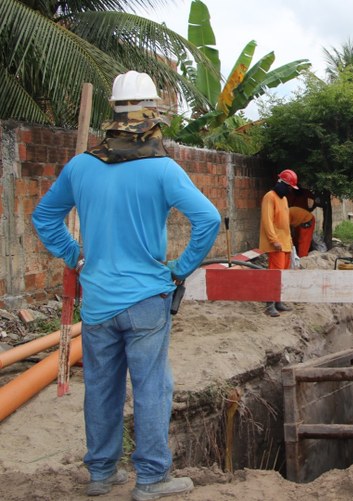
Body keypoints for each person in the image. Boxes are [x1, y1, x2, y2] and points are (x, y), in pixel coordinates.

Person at [32, 71, 221, 500]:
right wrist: (182, 267)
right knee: (153, 386)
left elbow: (44, 217)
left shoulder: (80, 166)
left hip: (97, 301)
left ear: (111, 115)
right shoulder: (162, 169)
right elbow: (207, 219)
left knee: (101, 387)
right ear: (153, 115)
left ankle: (101, 474)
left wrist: (74, 255)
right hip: (147, 301)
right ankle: (151, 480)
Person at [259, 169, 299, 317]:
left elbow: (285, 223)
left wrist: (289, 241)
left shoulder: (283, 199)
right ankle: (269, 305)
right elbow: (267, 220)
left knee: (283, 275)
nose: (289, 190)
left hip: (285, 243)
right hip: (276, 244)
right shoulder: (270, 197)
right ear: (282, 183)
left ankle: (278, 301)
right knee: (274, 274)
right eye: (289, 187)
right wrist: (274, 240)